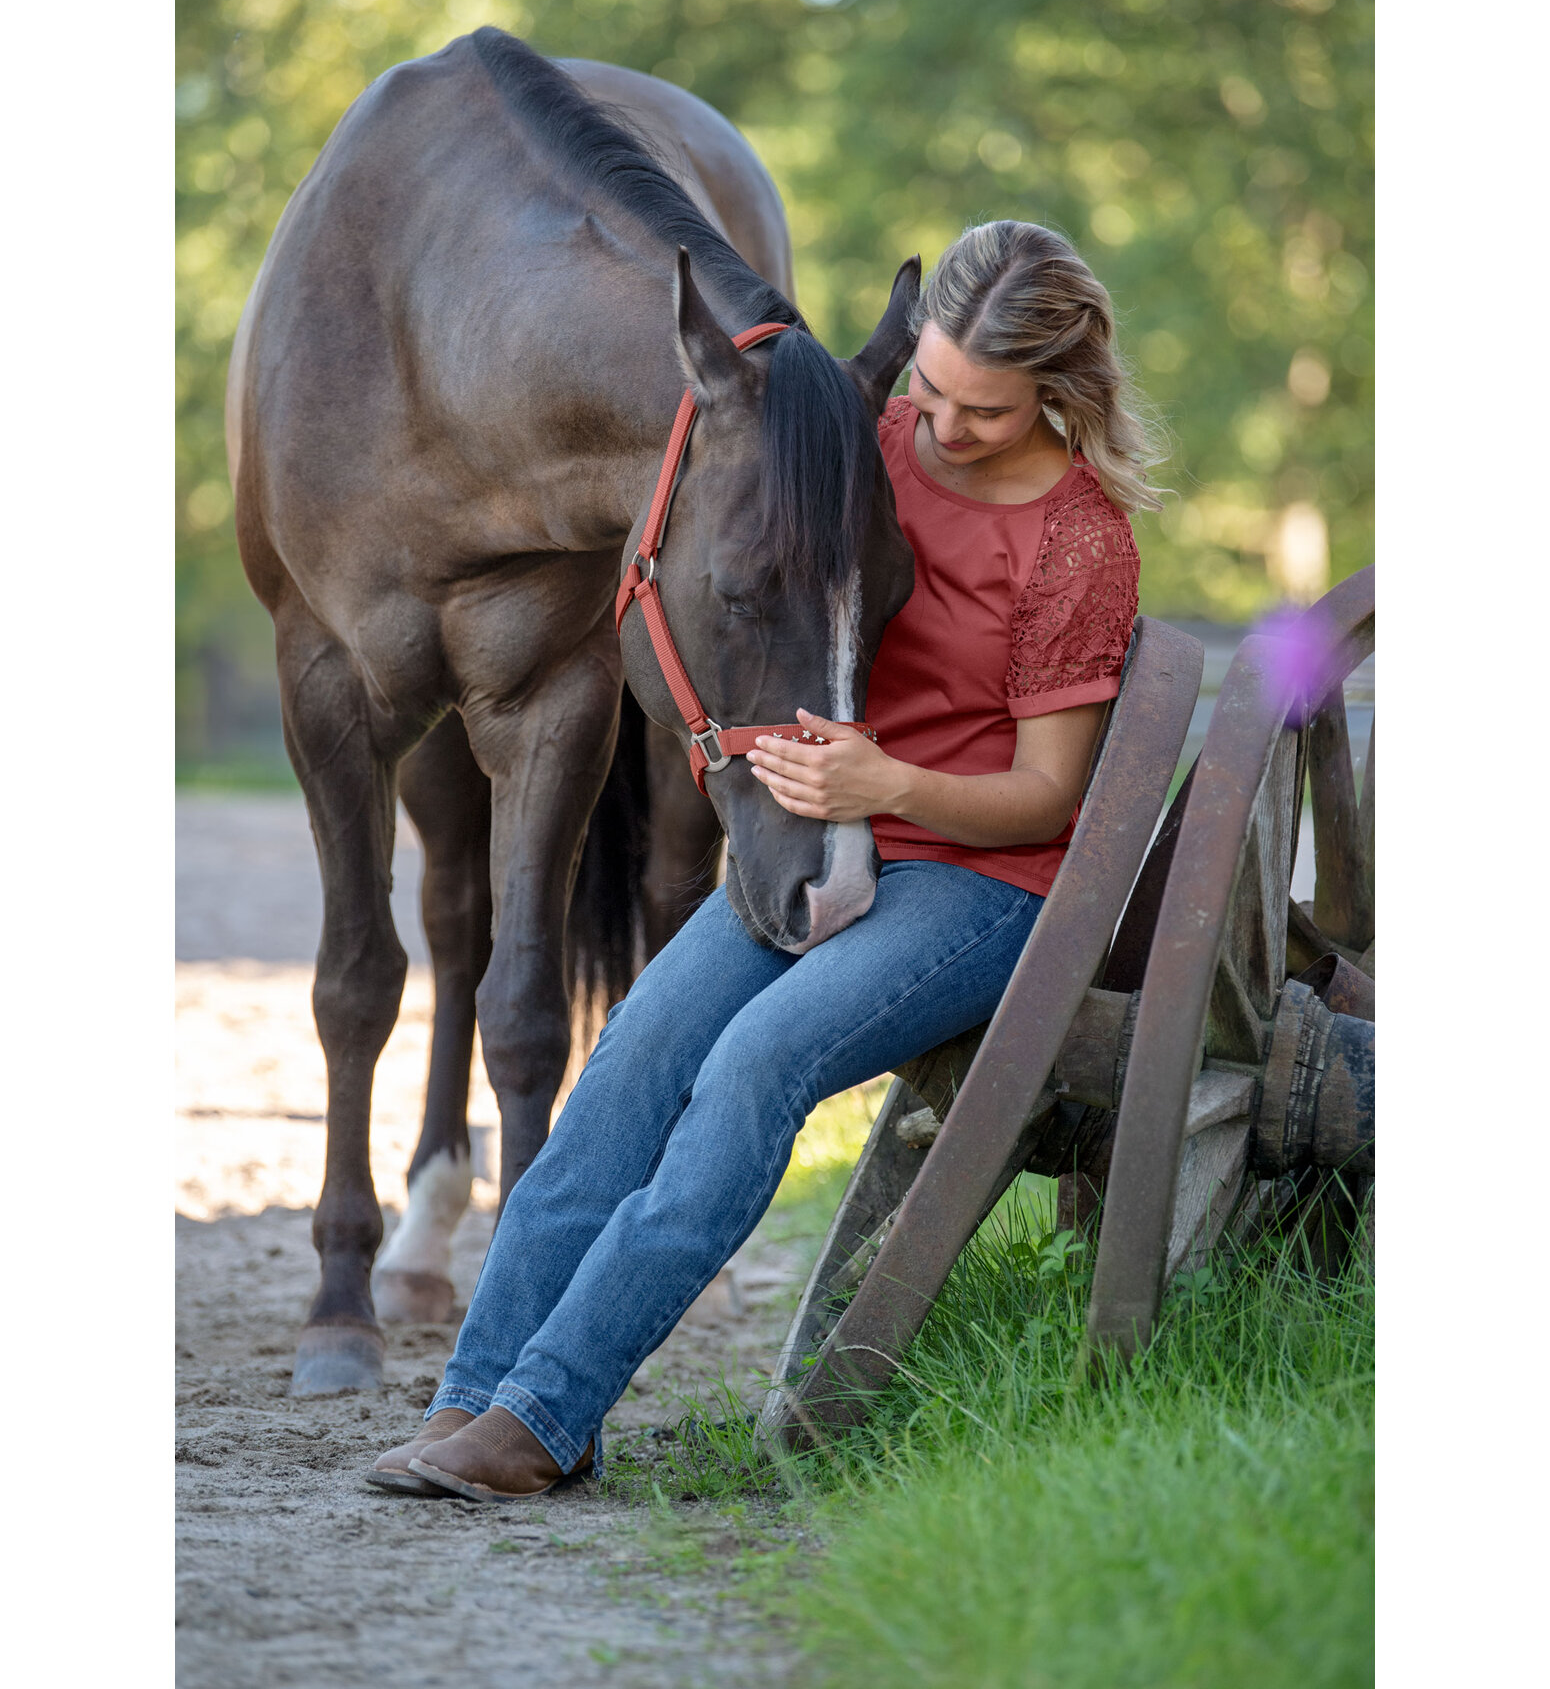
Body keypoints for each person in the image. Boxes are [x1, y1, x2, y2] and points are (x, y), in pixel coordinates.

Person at [367, 219, 1160, 1502]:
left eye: (986, 412)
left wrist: (886, 782)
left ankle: (547, 1418)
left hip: (980, 881)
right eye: (931, 389)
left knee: (752, 1068)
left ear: (1057, 394)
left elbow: (1048, 794)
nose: (942, 429)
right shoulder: (861, 438)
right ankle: (479, 1393)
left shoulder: (1077, 539)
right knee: (630, 1062)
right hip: (819, 826)